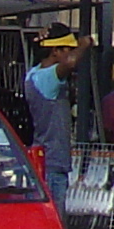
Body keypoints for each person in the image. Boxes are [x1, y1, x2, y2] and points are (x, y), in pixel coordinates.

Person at [22, 25, 84, 209]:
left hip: (49, 162)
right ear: (55, 51)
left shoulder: (34, 75)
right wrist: (84, 44)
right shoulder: (45, 78)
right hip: (51, 165)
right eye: (68, 49)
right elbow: (71, 63)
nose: (71, 54)